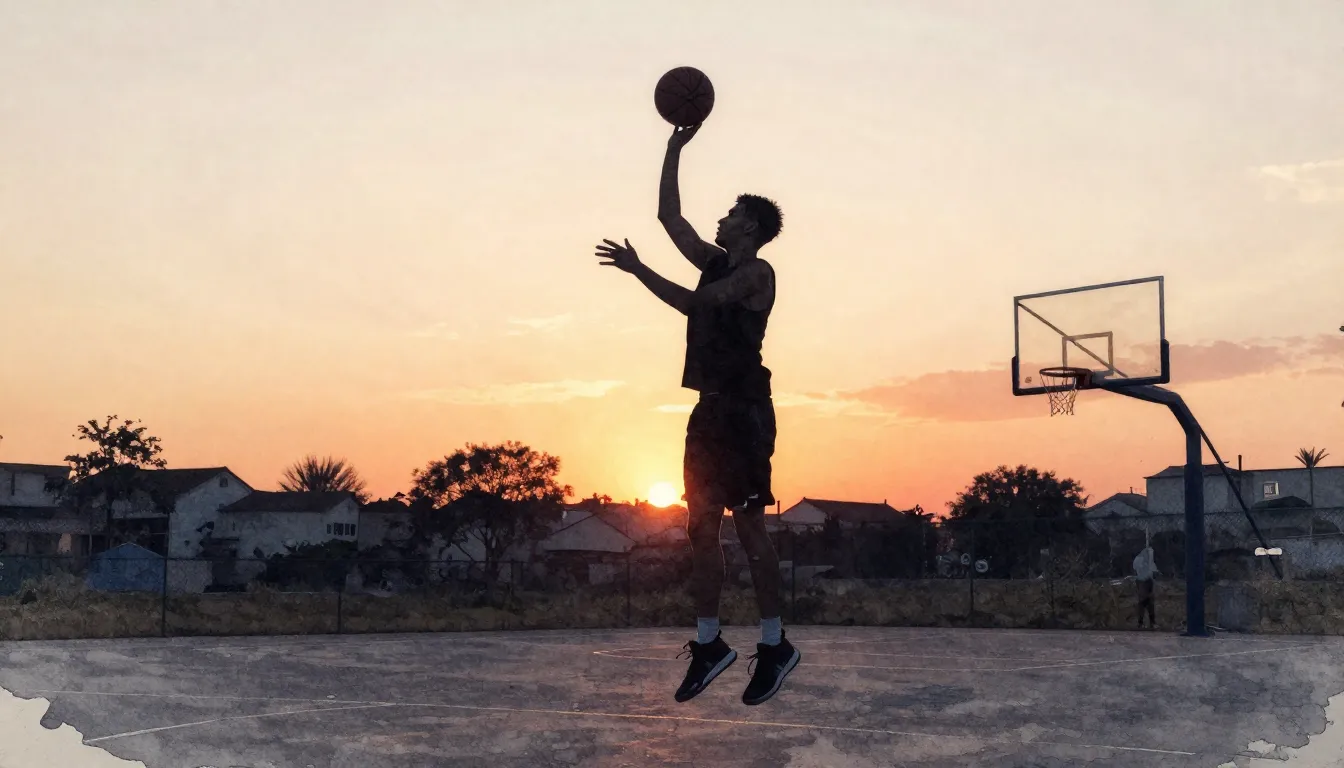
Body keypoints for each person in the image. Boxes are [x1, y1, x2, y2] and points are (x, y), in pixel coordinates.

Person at [592, 123, 800, 706]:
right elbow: (670, 218)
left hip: (745, 411)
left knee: (749, 526)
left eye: (732, 213)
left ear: (750, 226)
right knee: (699, 527)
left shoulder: (757, 273)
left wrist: (640, 271)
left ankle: (775, 644)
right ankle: (710, 644)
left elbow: (696, 303)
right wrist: (672, 148)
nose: (722, 218)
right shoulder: (714, 262)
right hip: (709, 412)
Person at [1133, 544, 1159, 629]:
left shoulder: (1144, 559)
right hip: (1143, 581)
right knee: (1144, 602)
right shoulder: (1140, 559)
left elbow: (1152, 567)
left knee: (1149, 603)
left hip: (1147, 580)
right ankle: (1142, 622)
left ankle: (1150, 622)